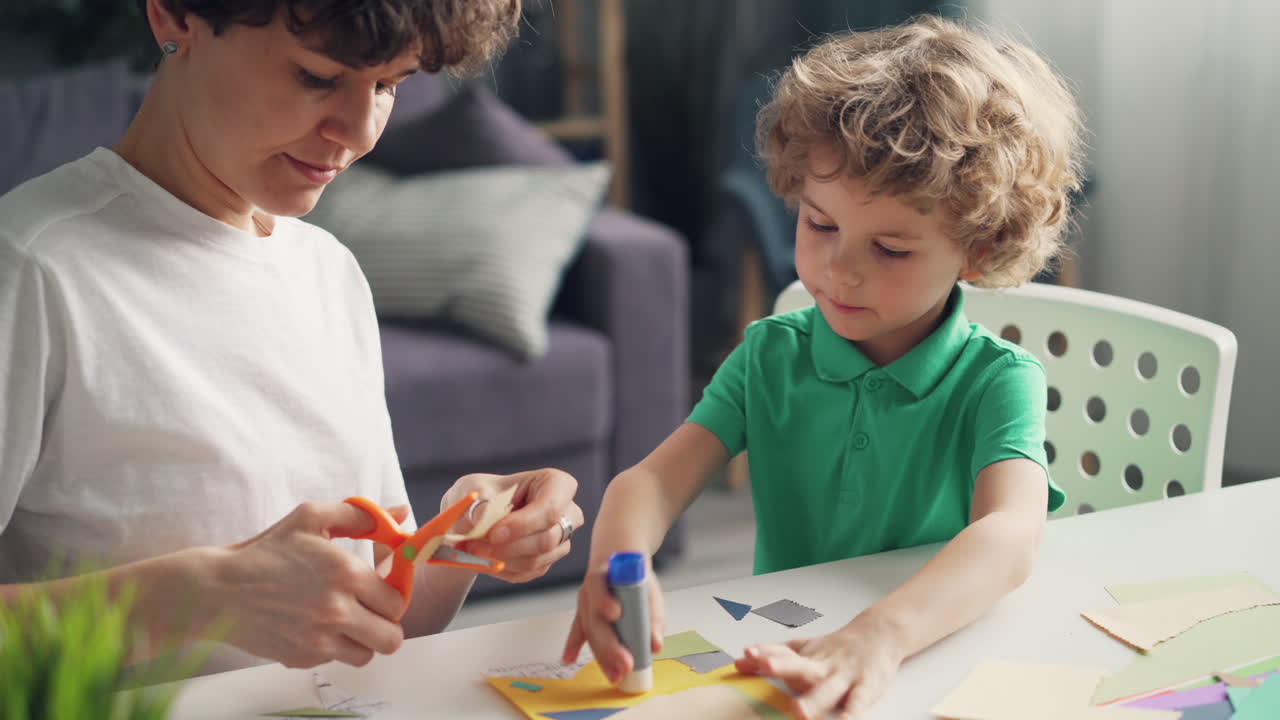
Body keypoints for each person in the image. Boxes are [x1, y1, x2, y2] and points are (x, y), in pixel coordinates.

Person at [0, 0, 584, 674]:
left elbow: (383, 621)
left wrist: (457, 540)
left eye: (389, 85)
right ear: (173, 17)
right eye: (318, 77)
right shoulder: (32, 269)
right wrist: (197, 597)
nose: (360, 131)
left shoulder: (327, 271)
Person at [564, 15, 1084, 719]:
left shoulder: (999, 380)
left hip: (936, 662)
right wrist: (614, 564)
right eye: (820, 224)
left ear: (979, 249)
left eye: (891, 249)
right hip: (794, 663)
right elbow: (652, 482)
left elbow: (1011, 538)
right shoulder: (769, 355)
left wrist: (880, 637)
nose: (839, 269)